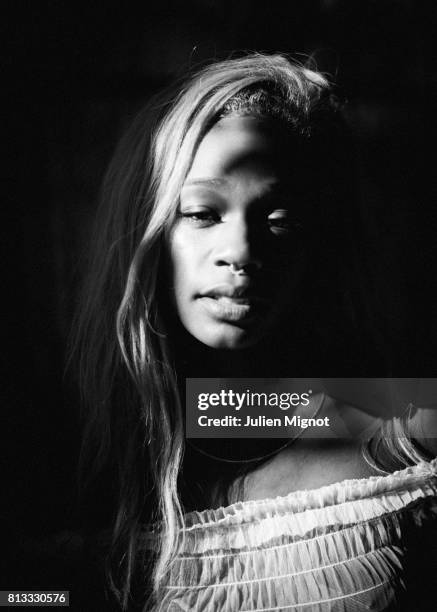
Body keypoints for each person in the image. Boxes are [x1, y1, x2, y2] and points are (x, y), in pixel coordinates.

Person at [73, 53, 437, 611]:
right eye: (200, 213)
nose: (241, 252)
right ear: (146, 226)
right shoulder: (89, 466)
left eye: (280, 221)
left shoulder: (405, 430)